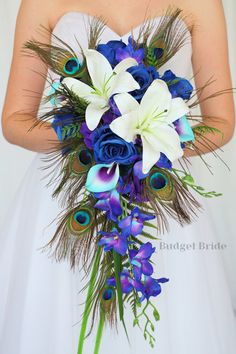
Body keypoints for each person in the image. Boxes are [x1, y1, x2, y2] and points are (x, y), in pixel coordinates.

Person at [1, 0, 236, 353]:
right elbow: (15, 120)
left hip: (159, 191)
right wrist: (92, 137)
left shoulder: (202, 4)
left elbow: (222, 122)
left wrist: (153, 139)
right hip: (66, 197)